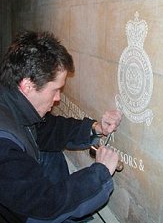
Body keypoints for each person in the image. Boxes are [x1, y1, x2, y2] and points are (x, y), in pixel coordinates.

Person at [0, 30, 122, 223]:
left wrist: (95, 128)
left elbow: (45, 130)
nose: (58, 99)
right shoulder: (4, 145)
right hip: (21, 215)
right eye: (55, 90)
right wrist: (100, 172)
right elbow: (43, 206)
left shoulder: (9, 101)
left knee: (50, 153)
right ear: (27, 86)